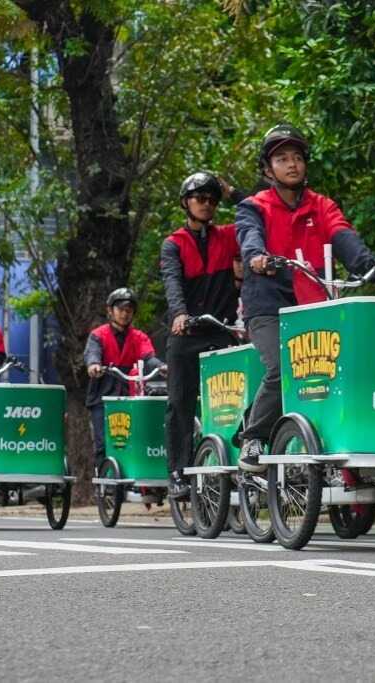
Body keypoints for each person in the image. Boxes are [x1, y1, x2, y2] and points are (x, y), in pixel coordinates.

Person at [235, 123, 375, 472]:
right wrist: (256, 257)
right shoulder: (254, 206)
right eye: (282, 158)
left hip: (313, 304)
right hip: (267, 303)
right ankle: (253, 436)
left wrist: (372, 267)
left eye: (297, 157)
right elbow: (249, 237)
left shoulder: (321, 206)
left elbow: (345, 238)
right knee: (282, 367)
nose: (292, 164)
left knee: (343, 368)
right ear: (268, 169)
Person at [161, 171, 241, 498]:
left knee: (234, 399)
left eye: (212, 199)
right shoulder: (173, 244)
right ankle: (177, 472)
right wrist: (180, 314)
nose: (207, 204)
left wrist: (233, 192)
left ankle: (232, 464)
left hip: (220, 333)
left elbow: (259, 213)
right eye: (200, 199)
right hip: (187, 333)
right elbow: (172, 282)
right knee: (180, 402)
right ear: (186, 203)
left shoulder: (227, 236)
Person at [84, 288, 166, 471]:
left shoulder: (139, 337)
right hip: (102, 395)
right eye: (120, 309)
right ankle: (104, 481)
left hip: (129, 393)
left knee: (134, 439)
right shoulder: (98, 335)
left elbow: (149, 357)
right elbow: (92, 354)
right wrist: (94, 365)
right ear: (110, 311)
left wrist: (161, 367)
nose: (124, 314)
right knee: (102, 442)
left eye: (128, 310)